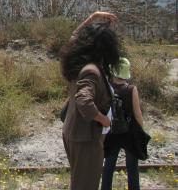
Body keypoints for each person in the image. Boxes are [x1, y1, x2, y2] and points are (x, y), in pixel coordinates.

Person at [61, 11, 120, 190]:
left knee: (79, 182)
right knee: (86, 185)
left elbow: (74, 38)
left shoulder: (77, 62)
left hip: (75, 132)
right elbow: (84, 101)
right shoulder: (92, 70)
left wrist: (92, 18)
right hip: (86, 138)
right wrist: (104, 120)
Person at [101, 57, 144, 190]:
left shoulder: (107, 87)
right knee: (132, 167)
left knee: (109, 165)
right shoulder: (131, 89)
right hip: (129, 132)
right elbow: (137, 113)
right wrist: (141, 131)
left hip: (112, 131)